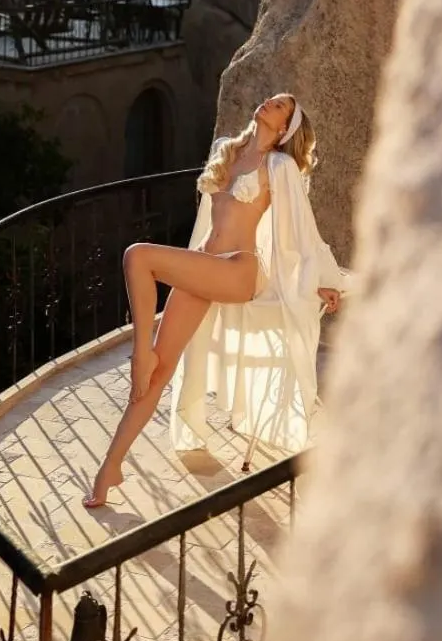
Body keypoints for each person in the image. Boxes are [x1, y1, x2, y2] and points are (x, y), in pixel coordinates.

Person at [83, 93, 354, 508]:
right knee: (159, 372)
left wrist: (322, 280)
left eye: (281, 106)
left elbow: (303, 233)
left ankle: (141, 352)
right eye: (272, 99)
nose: (270, 102)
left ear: (286, 129)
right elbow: (207, 224)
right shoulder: (227, 150)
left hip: (239, 269)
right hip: (205, 265)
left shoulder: (278, 166)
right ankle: (110, 468)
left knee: (138, 256)